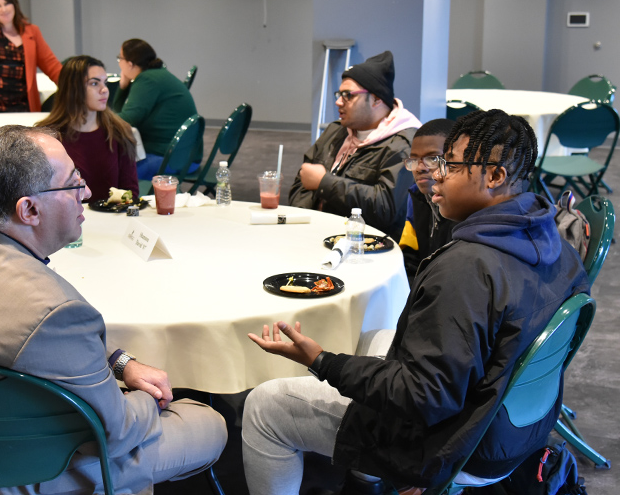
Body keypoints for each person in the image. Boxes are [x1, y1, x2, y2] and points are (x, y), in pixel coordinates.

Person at [243, 109, 590, 494]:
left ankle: (389, 470)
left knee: (265, 406)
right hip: (516, 430)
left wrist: (322, 361)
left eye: (450, 165)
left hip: (459, 444)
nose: (435, 174)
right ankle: (367, 479)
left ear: (495, 176)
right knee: (376, 338)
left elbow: (426, 396)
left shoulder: (467, 268)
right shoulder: (557, 243)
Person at [0, 125, 227, 495]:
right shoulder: (54, 310)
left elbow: (28, 342)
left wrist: (120, 362)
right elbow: (117, 433)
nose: (88, 192)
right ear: (29, 209)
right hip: (0, 476)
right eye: (73, 183)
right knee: (206, 422)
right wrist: (148, 398)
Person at [288, 51, 421, 240]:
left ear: (376, 99)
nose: (338, 102)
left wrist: (324, 183)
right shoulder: (336, 131)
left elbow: (386, 208)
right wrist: (307, 226)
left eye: (348, 95)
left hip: (364, 248)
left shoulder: (403, 145)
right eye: (339, 94)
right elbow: (301, 182)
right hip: (315, 236)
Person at [36, 55, 139, 203]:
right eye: (94, 83)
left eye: (105, 83)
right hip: (64, 222)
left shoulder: (119, 131)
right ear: (73, 88)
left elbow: (130, 192)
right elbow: (40, 196)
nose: (104, 90)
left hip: (111, 218)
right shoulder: (47, 137)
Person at [112, 38, 199, 181]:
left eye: (119, 58)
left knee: (119, 174)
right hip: (185, 154)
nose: (119, 63)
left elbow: (126, 120)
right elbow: (122, 114)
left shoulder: (147, 80)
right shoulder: (156, 75)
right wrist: (123, 86)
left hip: (172, 158)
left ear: (130, 63)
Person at [398, 118, 458, 284]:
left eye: (432, 159)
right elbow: (410, 257)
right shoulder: (416, 197)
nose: (420, 168)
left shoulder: (464, 210)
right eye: (414, 160)